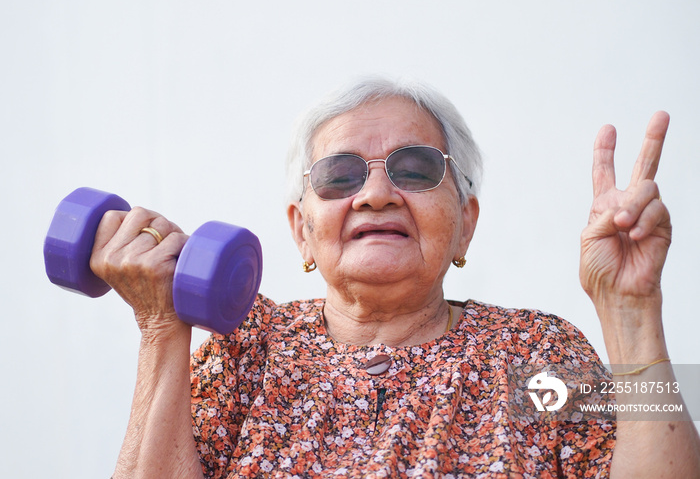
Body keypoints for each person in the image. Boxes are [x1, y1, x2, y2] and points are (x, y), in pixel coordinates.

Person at [91, 77, 700, 478]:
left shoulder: (539, 353)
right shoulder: (249, 350)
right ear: (301, 230)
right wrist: (160, 326)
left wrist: (631, 313)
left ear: (465, 223)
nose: (376, 194)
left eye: (415, 169)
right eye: (340, 174)